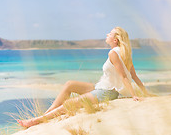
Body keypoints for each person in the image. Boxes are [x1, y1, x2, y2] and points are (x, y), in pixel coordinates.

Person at [18, 27, 149, 128]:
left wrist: (133, 95)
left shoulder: (113, 53)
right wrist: (145, 92)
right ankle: (46, 114)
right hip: (102, 88)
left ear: (115, 40)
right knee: (69, 84)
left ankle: (36, 121)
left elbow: (125, 77)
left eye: (110, 33)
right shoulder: (125, 53)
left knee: (69, 104)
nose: (107, 35)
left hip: (107, 92)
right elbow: (135, 76)